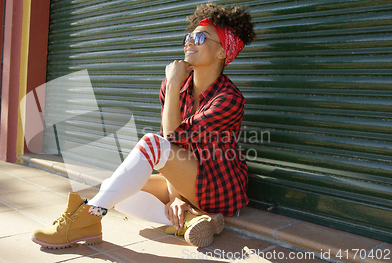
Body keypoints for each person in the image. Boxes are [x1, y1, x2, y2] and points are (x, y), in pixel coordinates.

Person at [31, 2, 256, 249]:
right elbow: (171, 151)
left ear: (222, 52)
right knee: (114, 188)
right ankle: (192, 221)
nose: (189, 42)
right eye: (188, 36)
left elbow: (168, 142)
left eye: (201, 37)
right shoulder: (176, 87)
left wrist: (172, 84)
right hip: (188, 178)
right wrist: (176, 197)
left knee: (150, 145)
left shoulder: (228, 99)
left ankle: (86, 217)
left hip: (218, 185)